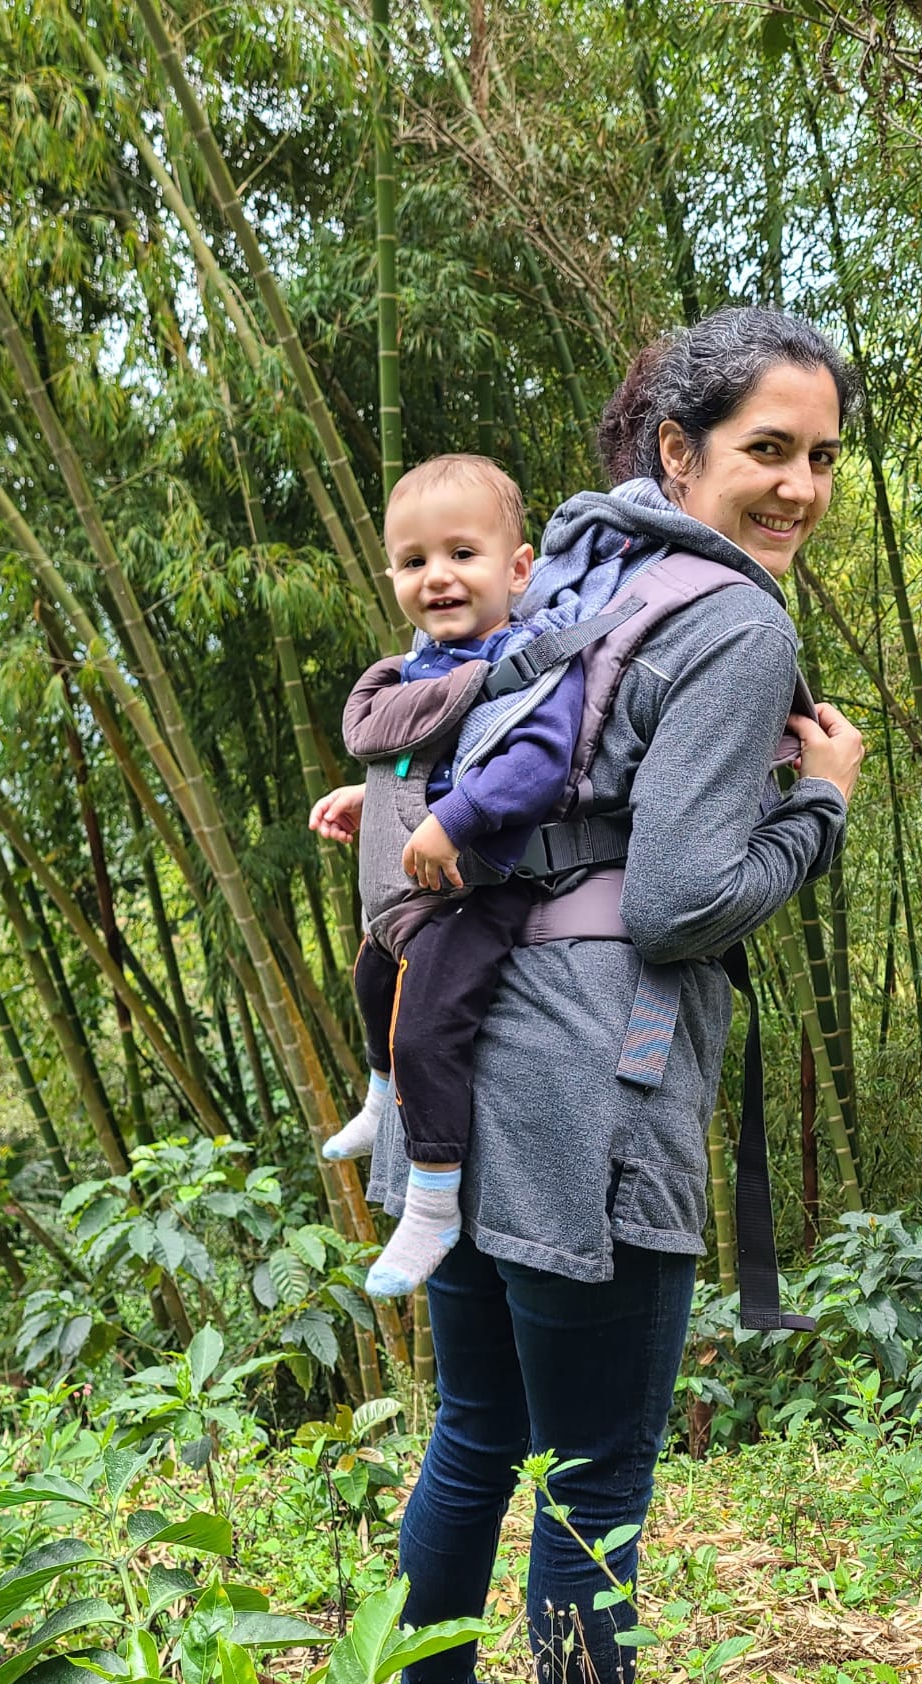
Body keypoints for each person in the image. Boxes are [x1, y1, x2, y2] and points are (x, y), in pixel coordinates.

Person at [365, 306, 865, 1684]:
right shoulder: (735, 624)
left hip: (455, 1045)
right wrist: (819, 805)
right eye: (766, 450)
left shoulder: (584, 570)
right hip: (592, 1079)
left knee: (478, 1424)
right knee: (595, 1471)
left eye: (823, 457)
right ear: (677, 449)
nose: (797, 487)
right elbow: (679, 901)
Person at [310, 453, 568, 1299]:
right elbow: (428, 758)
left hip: (486, 887)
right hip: (417, 892)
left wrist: (453, 819)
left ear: (518, 569)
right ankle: (381, 1096)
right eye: (414, 560)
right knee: (370, 975)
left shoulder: (526, 662)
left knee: (426, 1030)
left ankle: (431, 1201)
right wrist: (373, 794)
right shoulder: (424, 663)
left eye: (462, 553)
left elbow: (536, 765)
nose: (438, 576)